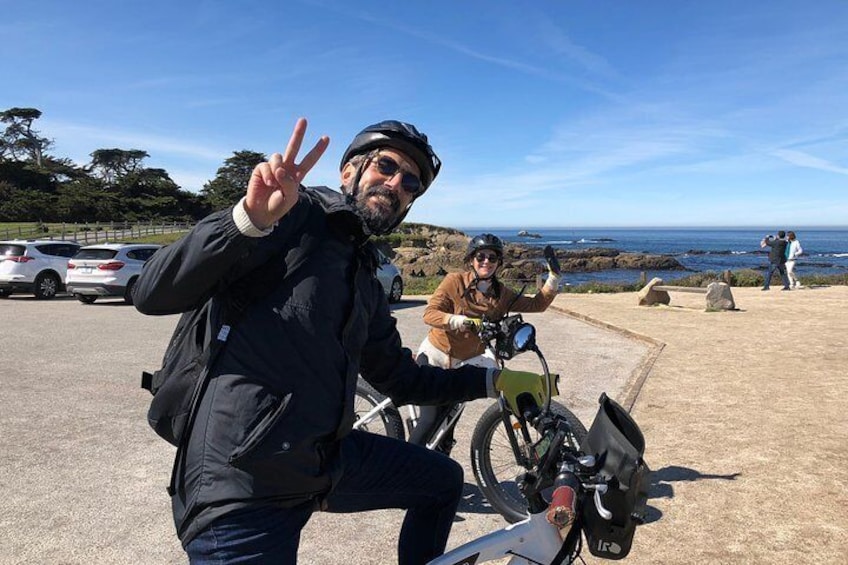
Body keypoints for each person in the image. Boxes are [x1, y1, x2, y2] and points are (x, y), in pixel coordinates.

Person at [133, 118, 549, 564]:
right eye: (385, 166)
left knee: (442, 481)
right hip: (240, 483)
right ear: (348, 171)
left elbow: (400, 377)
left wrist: (492, 383)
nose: (396, 184)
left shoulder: (364, 274)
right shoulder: (287, 218)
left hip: (321, 461)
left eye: (410, 182)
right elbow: (151, 292)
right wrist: (246, 220)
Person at [409, 233, 562, 448]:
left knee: (448, 427)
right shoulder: (454, 282)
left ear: (498, 263)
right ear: (471, 260)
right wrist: (457, 320)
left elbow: (536, 305)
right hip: (435, 356)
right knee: (430, 420)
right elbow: (430, 314)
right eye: (481, 257)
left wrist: (553, 279)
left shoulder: (500, 294)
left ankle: (437, 473)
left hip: (464, 365)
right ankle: (402, 471)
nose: (486, 262)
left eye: (492, 258)